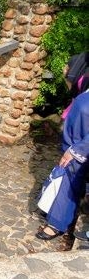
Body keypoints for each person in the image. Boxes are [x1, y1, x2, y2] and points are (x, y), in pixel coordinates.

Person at [35, 81, 89, 242]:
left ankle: (56, 223)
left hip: (81, 147)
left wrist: (76, 150)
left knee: (69, 179)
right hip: (77, 140)